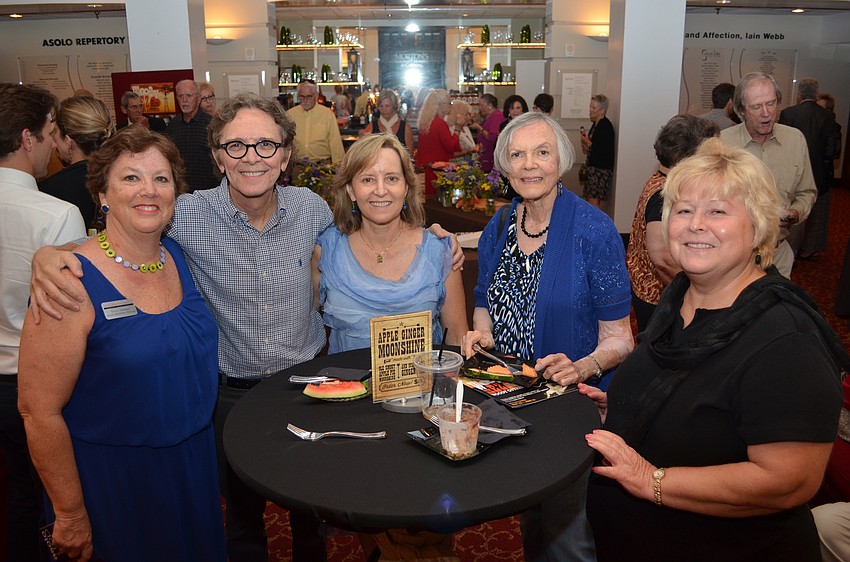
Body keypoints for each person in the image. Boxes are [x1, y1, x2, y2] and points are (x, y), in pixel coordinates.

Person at [29, 92, 464, 562]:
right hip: (228, 397)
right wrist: (53, 255)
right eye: (237, 146)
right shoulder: (187, 215)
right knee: (240, 523)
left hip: (310, 387)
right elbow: (127, 232)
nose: (252, 157)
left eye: (265, 145)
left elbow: (374, 233)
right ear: (218, 157)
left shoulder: (311, 211)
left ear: (285, 156)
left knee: (311, 515)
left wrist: (439, 237)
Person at [583, 137, 847, 562]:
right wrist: (621, 409)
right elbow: (694, 402)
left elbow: (789, 481)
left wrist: (651, 479)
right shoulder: (680, 299)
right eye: (683, 210)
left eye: (718, 211)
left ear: (759, 226)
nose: (695, 224)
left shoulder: (786, 340)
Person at [18, 126, 226, 562]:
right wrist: (70, 513)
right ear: (102, 193)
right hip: (114, 481)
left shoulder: (178, 257)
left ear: (175, 193)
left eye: (161, 178)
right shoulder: (68, 283)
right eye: (131, 177)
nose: (148, 190)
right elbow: (39, 411)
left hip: (191, 466)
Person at [461, 112, 634, 562]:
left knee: (567, 537)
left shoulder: (593, 231)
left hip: (571, 409)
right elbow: (483, 298)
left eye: (542, 152)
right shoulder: (500, 226)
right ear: (504, 165)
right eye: (517, 154)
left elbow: (621, 338)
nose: (529, 164)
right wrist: (480, 334)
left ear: (562, 159)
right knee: (531, 520)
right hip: (508, 400)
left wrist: (582, 366)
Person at [0, 82, 85, 562]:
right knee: (62, 506)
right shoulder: (55, 216)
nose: (56, 144)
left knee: (15, 498)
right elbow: (67, 319)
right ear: (28, 138)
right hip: (42, 387)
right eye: (52, 132)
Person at [316, 133, 467, 352]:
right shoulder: (327, 251)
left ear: (406, 188)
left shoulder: (440, 252)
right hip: (348, 385)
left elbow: (456, 341)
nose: (380, 190)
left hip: (424, 386)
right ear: (351, 190)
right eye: (367, 179)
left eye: (392, 178)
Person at [626, 114, 719, 331]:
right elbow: (663, 260)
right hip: (658, 298)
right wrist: (692, 296)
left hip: (650, 291)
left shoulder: (660, 180)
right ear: (688, 155)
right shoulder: (665, 193)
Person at [720, 71, 816, 278]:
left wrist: (796, 212)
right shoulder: (722, 144)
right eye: (756, 107)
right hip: (732, 256)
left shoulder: (795, 140)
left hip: (778, 253)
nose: (766, 113)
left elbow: (807, 191)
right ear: (741, 110)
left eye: (771, 103)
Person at [778, 77, 839, 260]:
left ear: (798, 95)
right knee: (813, 212)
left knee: (788, 210)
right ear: (816, 93)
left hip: (791, 171)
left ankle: (788, 252)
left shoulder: (789, 113)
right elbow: (832, 151)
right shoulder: (828, 116)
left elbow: (780, 146)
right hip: (818, 171)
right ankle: (806, 248)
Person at [38, 95, 114, 229]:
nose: (54, 144)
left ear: (68, 141)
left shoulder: (49, 191)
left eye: (54, 133)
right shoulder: (124, 176)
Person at [166, 79, 217, 193]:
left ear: (198, 99)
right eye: (181, 96)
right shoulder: (172, 125)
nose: (184, 100)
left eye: (189, 95)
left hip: (208, 191)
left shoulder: (211, 125)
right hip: (181, 191)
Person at [289, 79, 345, 179]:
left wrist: (339, 167)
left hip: (322, 168)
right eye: (302, 97)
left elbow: (335, 142)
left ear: (316, 96)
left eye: (309, 96)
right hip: (298, 168)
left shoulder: (327, 114)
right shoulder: (290, 115)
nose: (305, 100)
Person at [415, 89, 462, 196]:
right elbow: (450, 146)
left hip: (425, 165)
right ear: (442, 105)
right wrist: (458, 129)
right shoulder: (440, 124)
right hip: (437, 168)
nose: (451, 106)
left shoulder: (426, 122)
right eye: (449, 103)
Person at [579, 93, 615, 208]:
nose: (590, 110)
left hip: (600, 171)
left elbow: (600, 149)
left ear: (602, 111)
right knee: (590, 199)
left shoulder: (605, 126)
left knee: (593, 201)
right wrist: (586, 143)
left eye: (594, 108)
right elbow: (590, 147)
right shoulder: (596, 124)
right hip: (593, 168)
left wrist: (587, 143)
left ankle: (593, 225)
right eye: (590, 106)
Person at [476, 93, 506, 173]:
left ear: (490, 105)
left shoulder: (497, 116)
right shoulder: (489, 116)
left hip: (490, 158)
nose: (480, 108)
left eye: (482, 105)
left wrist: (479, 128)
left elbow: (492, 137)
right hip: (484, 157)